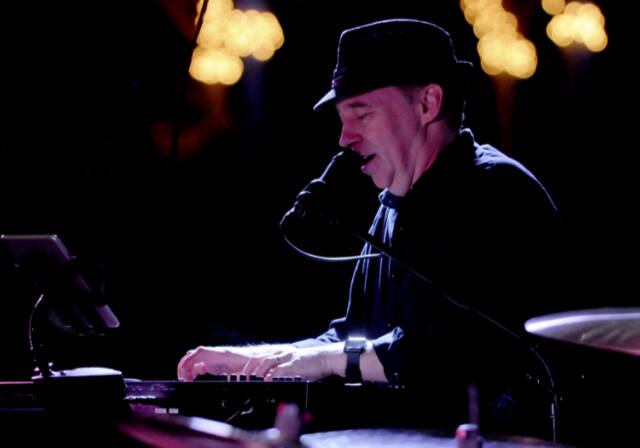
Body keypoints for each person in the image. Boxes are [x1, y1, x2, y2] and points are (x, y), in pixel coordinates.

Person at [178, 19, 574, 439]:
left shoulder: (497, 193)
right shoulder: (391, 207)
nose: (344, 139)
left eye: (361, 114)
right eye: (342, 119)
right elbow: (356, 337)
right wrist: (263, 360)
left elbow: (453, 353)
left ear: (428, 104)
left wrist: (328, 360)